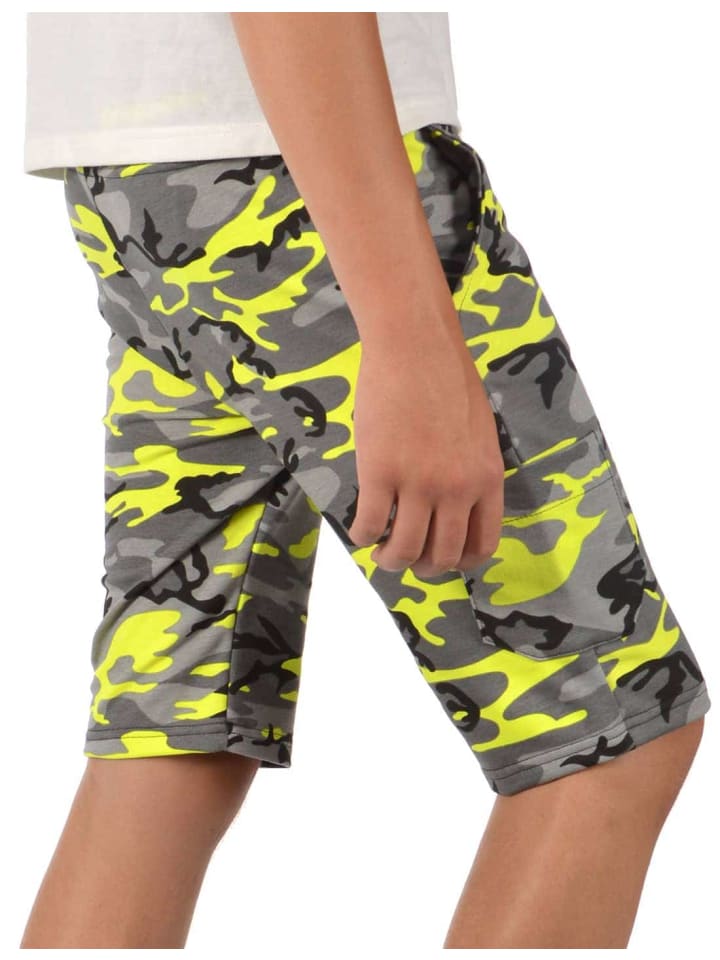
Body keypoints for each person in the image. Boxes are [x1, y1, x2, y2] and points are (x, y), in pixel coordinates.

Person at [20, 11, 710, 949]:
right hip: (302, 186)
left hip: (142, 191)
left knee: (172, 738)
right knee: (612, 733)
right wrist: (408, 335)